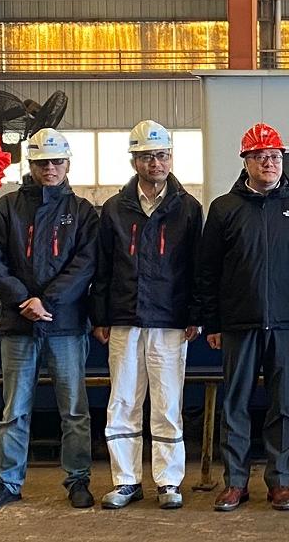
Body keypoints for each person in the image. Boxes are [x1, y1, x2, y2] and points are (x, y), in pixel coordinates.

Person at [194, 122, 289, 512]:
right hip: (239, 323)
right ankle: (235, 482)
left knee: (282, 406)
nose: (269, 163)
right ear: (245, 161)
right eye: (260, 156)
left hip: (285, 324)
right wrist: (213, 323)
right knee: (235, 404)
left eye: (275, 156)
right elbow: (207, 270)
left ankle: (280, 481)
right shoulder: (224, 209)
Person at [0, 128, 99, 511]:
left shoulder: (82, 212)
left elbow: (85, 264)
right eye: (42, 162)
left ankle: (78, 480)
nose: (50, 169)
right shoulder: (7, 208)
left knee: (74, 411)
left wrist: (46, 300)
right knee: (14, 411)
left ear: (67, 164)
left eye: (56, 162)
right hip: (19, 326)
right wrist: (22, 301)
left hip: (65, 325)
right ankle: (8, 483)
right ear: (30, 165)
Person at [91, 120, 203, 510]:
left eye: (161, 155)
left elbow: (196, 267)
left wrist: (195, 314)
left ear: (171, 158)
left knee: (168, 403)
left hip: (170, 320)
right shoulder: (114, 209)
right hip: (124, 318)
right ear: (134, 161)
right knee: (123, 401)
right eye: (146, 156)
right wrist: (100, 316)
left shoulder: (188, 209)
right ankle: (125, 481)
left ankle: (169, 481)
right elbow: (103, 266)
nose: (155, 163)